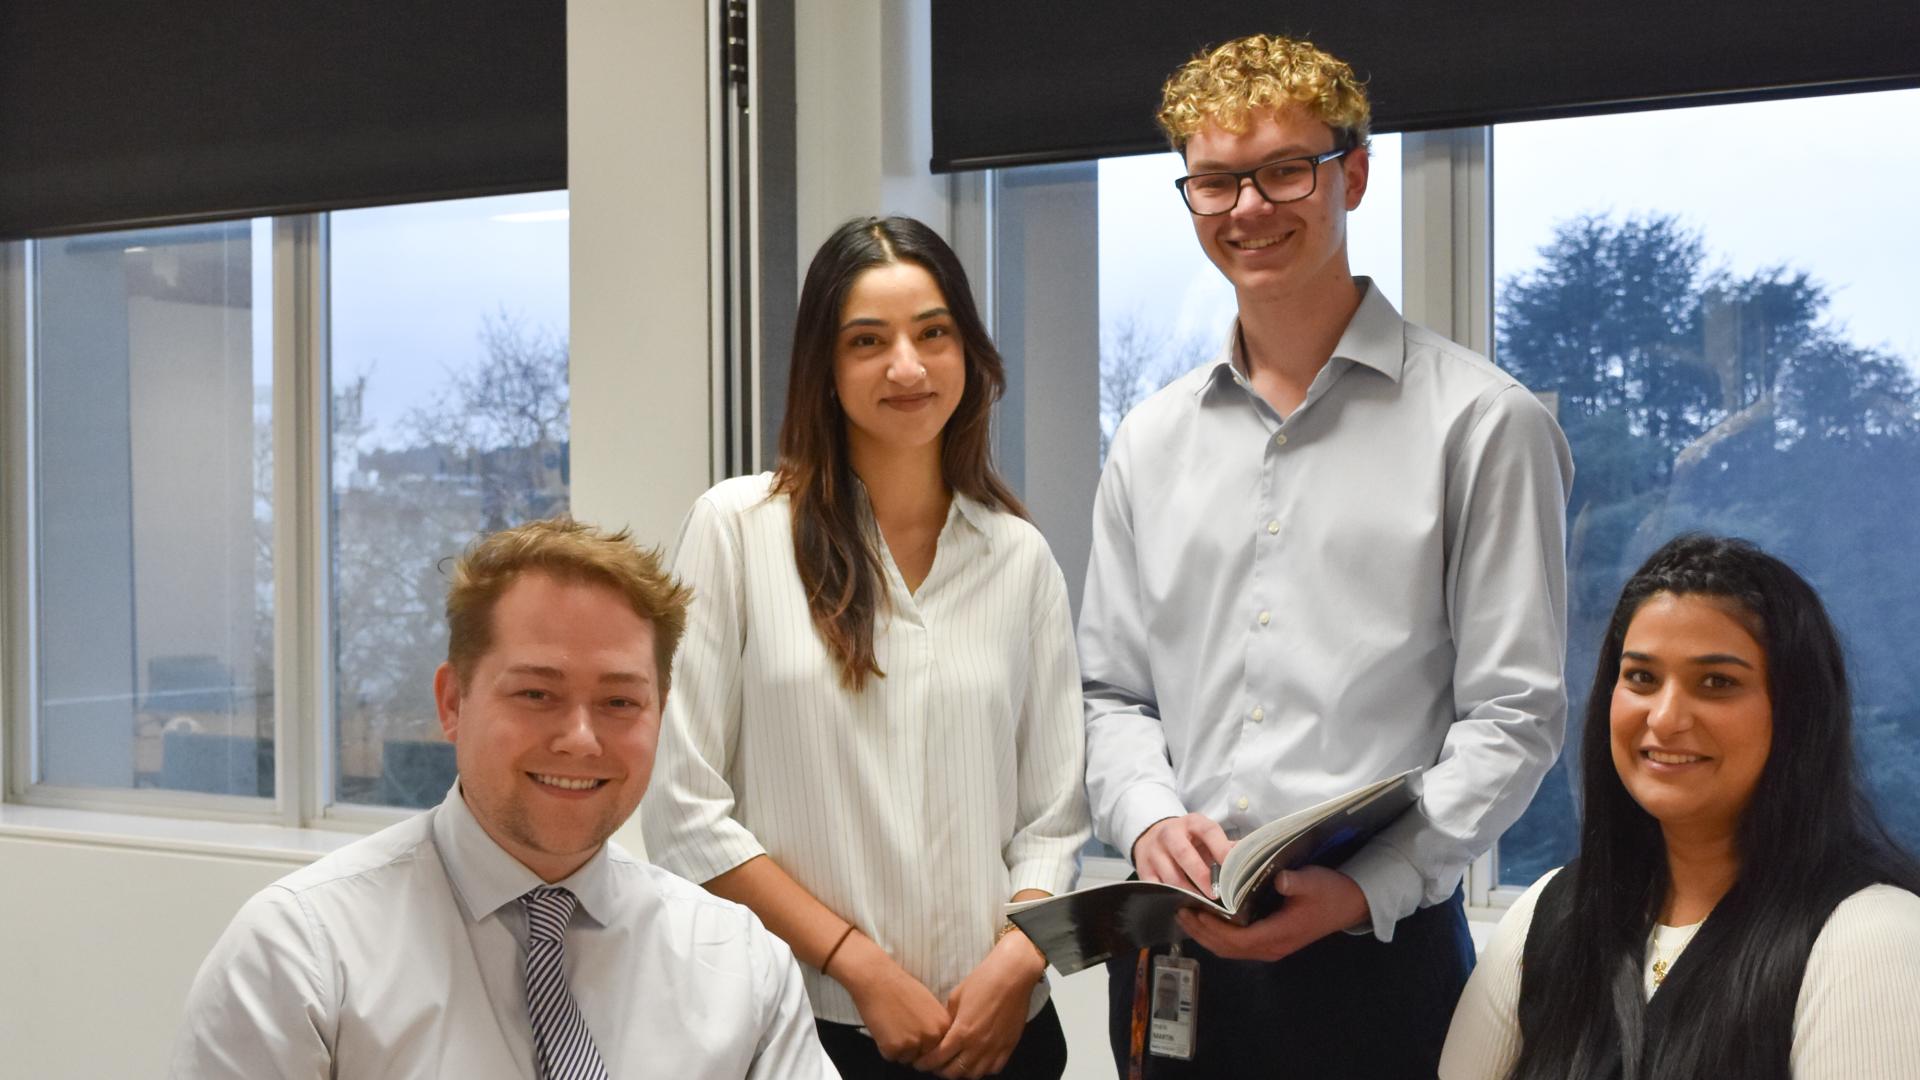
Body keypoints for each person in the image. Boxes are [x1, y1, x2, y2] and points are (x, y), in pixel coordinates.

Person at [1078, 33, 1575, 1077]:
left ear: (1353, 172)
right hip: (1179, 954)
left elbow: (1515, 716)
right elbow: (1111, 695)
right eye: (1214, 182)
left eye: (1283, 171)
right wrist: (1148, 819)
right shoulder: (1150, 438)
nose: (1248, 209)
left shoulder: (1484, 423)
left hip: (1375, 958)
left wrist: (1369, 884)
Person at [642, 215, 1090, 1080]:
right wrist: (859, 966)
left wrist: (1017, 961)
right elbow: (686, 812)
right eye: (868, 341)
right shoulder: (736, 530)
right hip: (809, 1029)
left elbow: (1054, 818)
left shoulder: (1018, 556)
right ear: (825, 366)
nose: (909, 367)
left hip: (1001, 1032)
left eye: (933, 333)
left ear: (970, 352)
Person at [170, 518, 836, 1079]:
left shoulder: (740, 963)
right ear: (453, 703)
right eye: (536, 694)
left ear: (660, 713)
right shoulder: (301, 955)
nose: (580, 739)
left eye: (620, 702)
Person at [1440, 534, 1920, 1079]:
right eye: (1642, 677)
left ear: (1796, 712)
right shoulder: (1550, 915)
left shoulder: (1874, 937)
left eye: (1717, 682)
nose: (1665, 718)